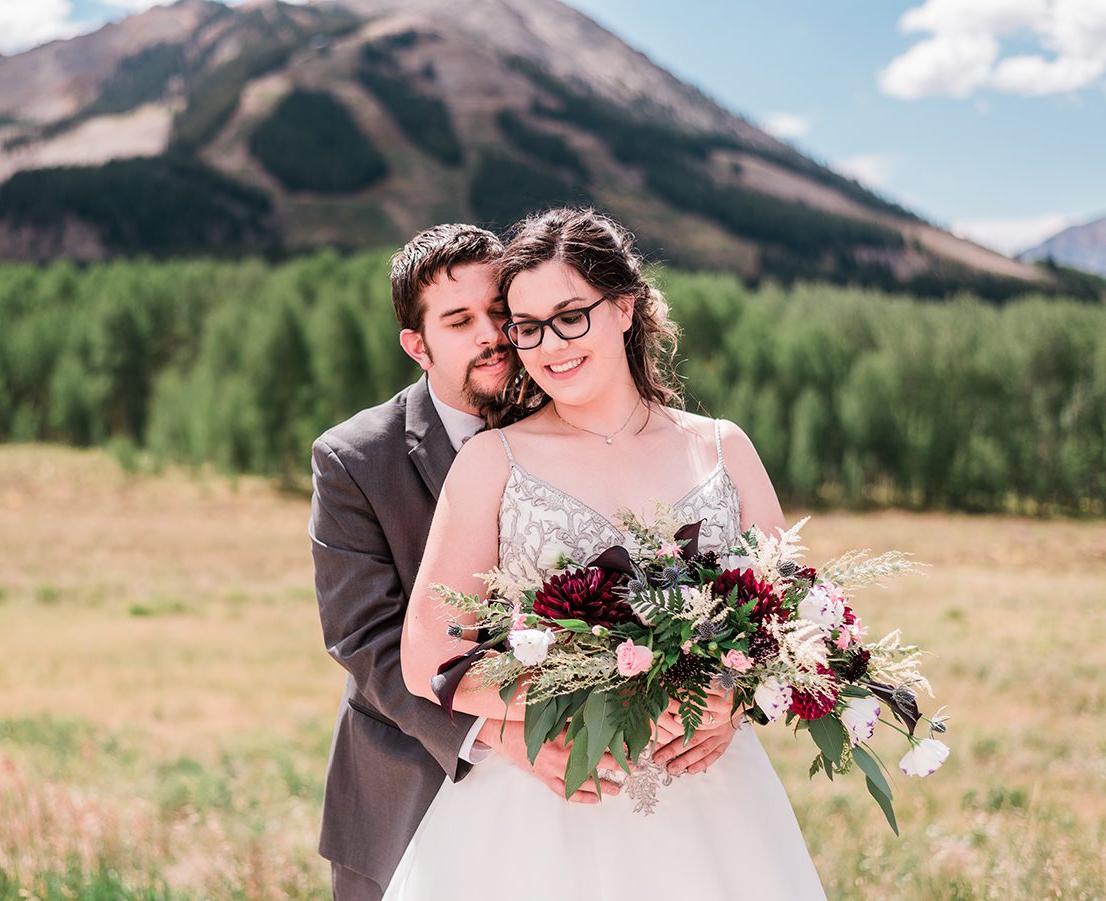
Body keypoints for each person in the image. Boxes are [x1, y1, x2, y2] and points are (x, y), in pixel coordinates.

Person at [393, 208, 826, 899]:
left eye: (571, 316)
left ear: (625, 306)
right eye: (527, 327)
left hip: (713, 804)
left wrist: (733, 701)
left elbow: (801, 620)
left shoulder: (722, 447)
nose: (548, 346)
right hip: (547, 805)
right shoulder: (490, 461)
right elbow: (426, 657)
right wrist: (561, 705)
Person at [310, 223, 739, 900]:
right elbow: (366, 639)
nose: (495, 335)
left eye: (501, 316)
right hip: (411, 776)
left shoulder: (573, 399)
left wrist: (721, 693)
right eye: (460, 321)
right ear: (416, 345)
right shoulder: (356, 458)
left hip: (628, 776)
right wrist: (502, 731)